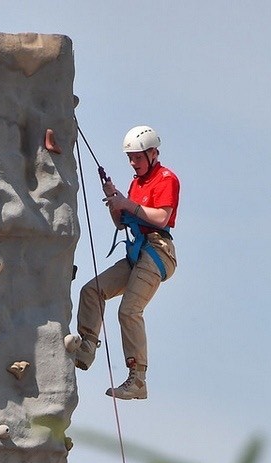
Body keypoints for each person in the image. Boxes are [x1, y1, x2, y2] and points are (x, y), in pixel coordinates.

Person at [73, 125, 179, 400]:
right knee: (92, 290)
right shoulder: (136, 183)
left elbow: (162, 218)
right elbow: (121, 224)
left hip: (158, 251)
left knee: (129, 310)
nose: (133, 163)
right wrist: (113, 201)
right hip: (138, 251)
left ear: (153, 153)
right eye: (130, 158)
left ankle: (138, 379)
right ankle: (86, 346)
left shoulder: (166, 179)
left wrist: (127, 204)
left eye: (138, 157)